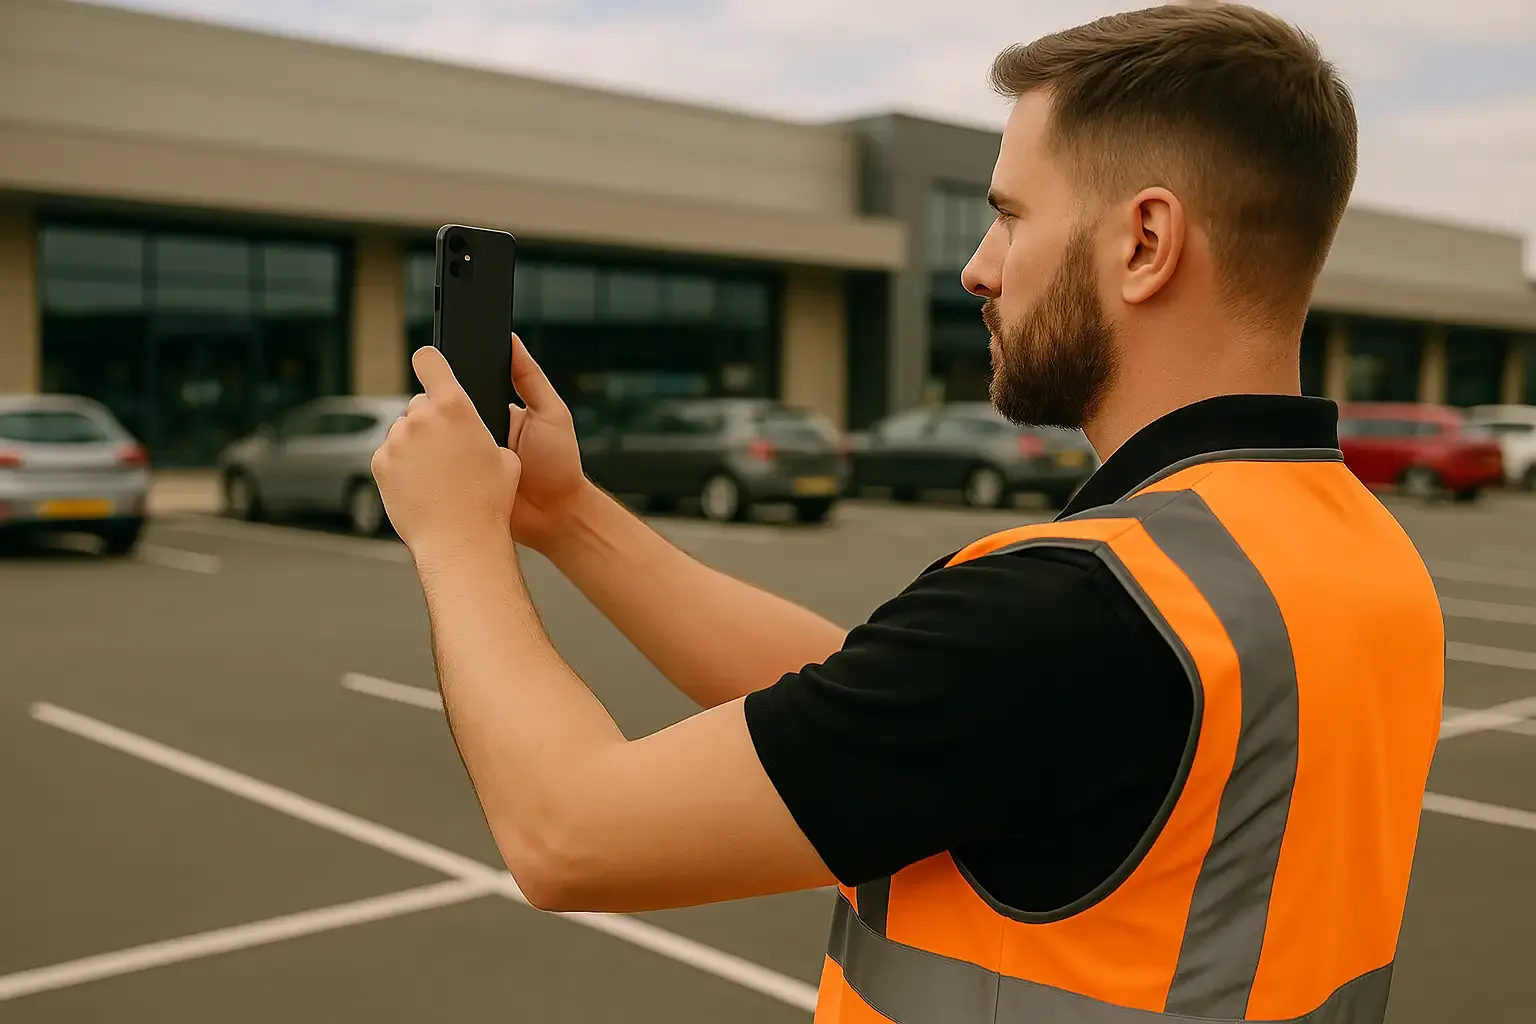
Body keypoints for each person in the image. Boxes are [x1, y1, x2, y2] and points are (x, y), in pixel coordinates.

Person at [371, 4, 1444, 1021]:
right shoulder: (1355, 558)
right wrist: (565, 514)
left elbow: (569, 833)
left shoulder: (1080, 610)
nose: (977, 268)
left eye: (1011, 216)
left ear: (1145, 242)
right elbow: (891, 701)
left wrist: (454, 535)